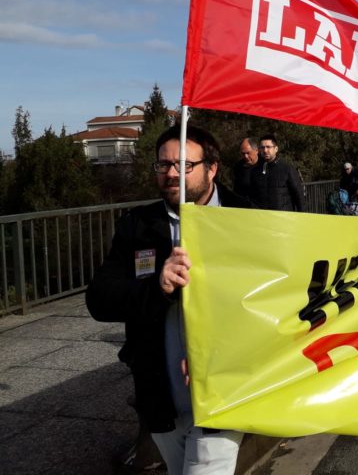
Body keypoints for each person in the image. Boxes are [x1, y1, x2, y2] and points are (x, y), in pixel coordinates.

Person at [86, 124, 251, 475]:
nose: (171, 174)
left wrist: (211, 355)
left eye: (183, 165)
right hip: (160, 397)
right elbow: (99, 300)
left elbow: (270, 306)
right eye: (163, 165)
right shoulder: (138, 224)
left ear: (213, 168)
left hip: (223, 393)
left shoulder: (249, 219)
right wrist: (156, 288)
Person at [249, 133, 305, 211]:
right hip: (262, 219)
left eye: (268, 147)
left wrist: (301, 217)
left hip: (283, 219)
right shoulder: (254, 171)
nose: (265, 150)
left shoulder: (287, 169)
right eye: (262, 147)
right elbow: (252, 197)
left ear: (276, 149)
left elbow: (299, 195)